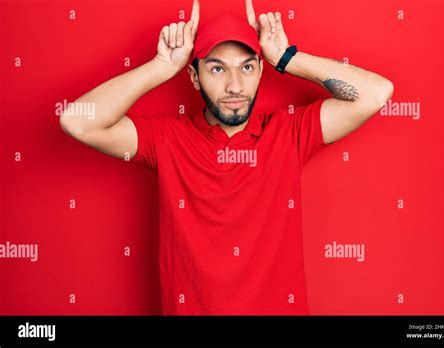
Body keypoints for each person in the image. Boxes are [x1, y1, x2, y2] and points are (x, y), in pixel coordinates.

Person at [59, 0, 394, 315]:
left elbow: (376, 93)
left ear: (262, 71)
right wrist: (161, 67)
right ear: (194, 76)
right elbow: (78, 121)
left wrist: (287, 57)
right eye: (217, 69)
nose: (235, 85)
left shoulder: (289, 134)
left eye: (247, 67)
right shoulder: (166, 140)